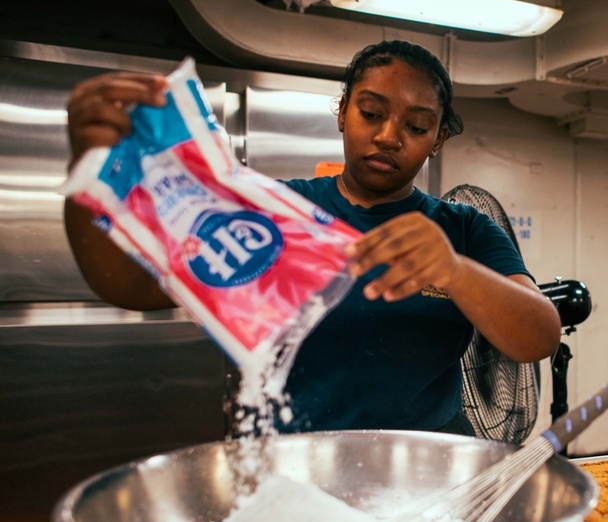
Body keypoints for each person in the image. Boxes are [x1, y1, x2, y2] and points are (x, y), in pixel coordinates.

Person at [63, 39, 562, 436]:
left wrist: (455, 270)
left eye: (415, 126)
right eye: (371, 113)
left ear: (437, 141)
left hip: (424, 465)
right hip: (292, 467)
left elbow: (538, 336)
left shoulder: (465, 228)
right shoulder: (276, 212)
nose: (389, 136)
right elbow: (130, 288)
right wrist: (89, 172)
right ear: (342, 112)